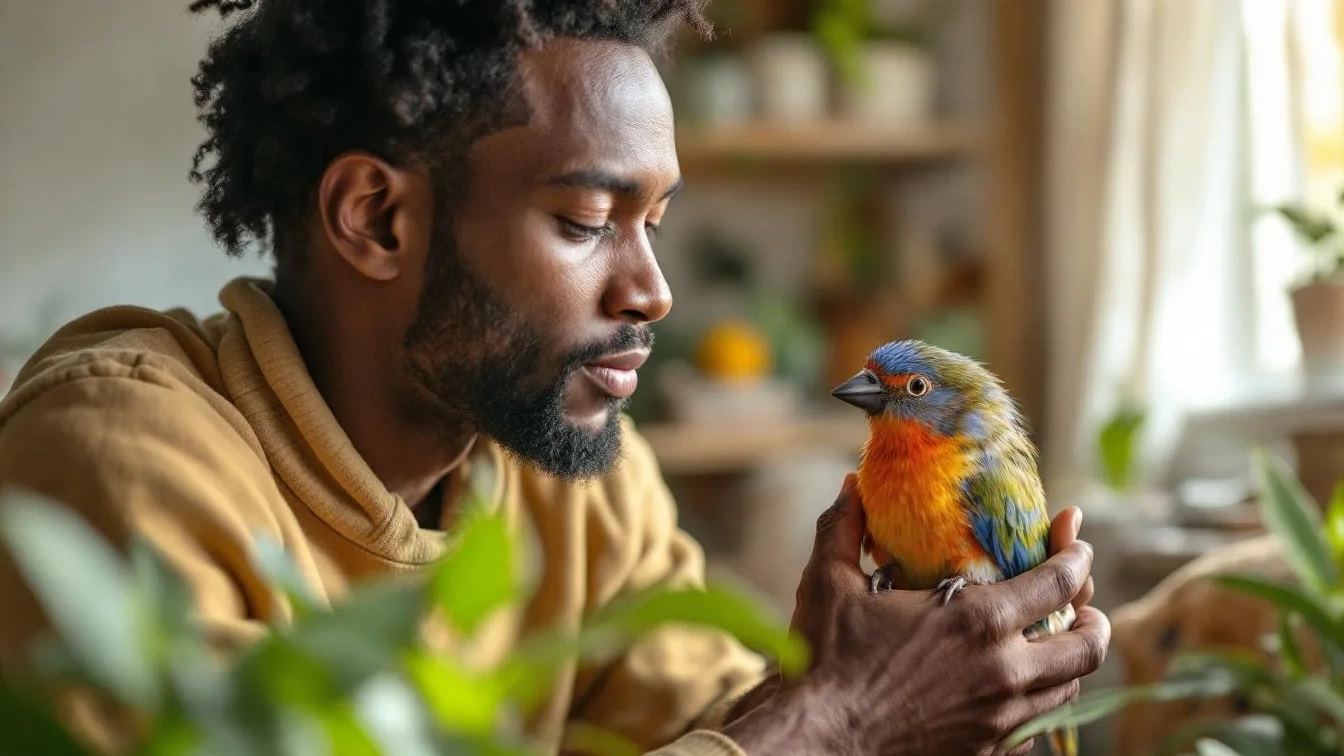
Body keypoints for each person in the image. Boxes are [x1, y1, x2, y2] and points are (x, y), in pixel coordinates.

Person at [0, 2, 1110, 755]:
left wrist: (857, 692)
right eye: (588, 220)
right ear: (376, 218)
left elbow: (714, 721)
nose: (655, 290)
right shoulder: (112, 461)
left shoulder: (563, 465)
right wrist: (832, 724)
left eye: (656, 222)